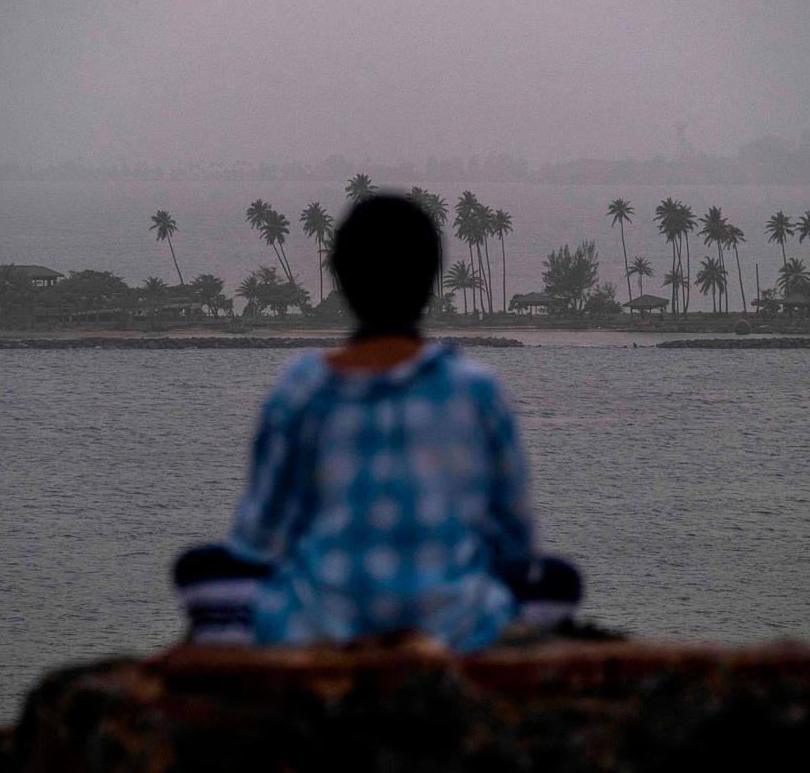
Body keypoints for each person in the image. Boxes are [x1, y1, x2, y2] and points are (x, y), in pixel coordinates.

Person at [174, 195, 579, 650]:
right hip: (458, 627)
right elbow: (516, 543)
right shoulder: (476, 390)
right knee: (560, 581)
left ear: (342, 280)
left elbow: (260, 538)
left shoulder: (302, 389)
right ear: (431, 282)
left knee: (200, 568)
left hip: (318, 626)